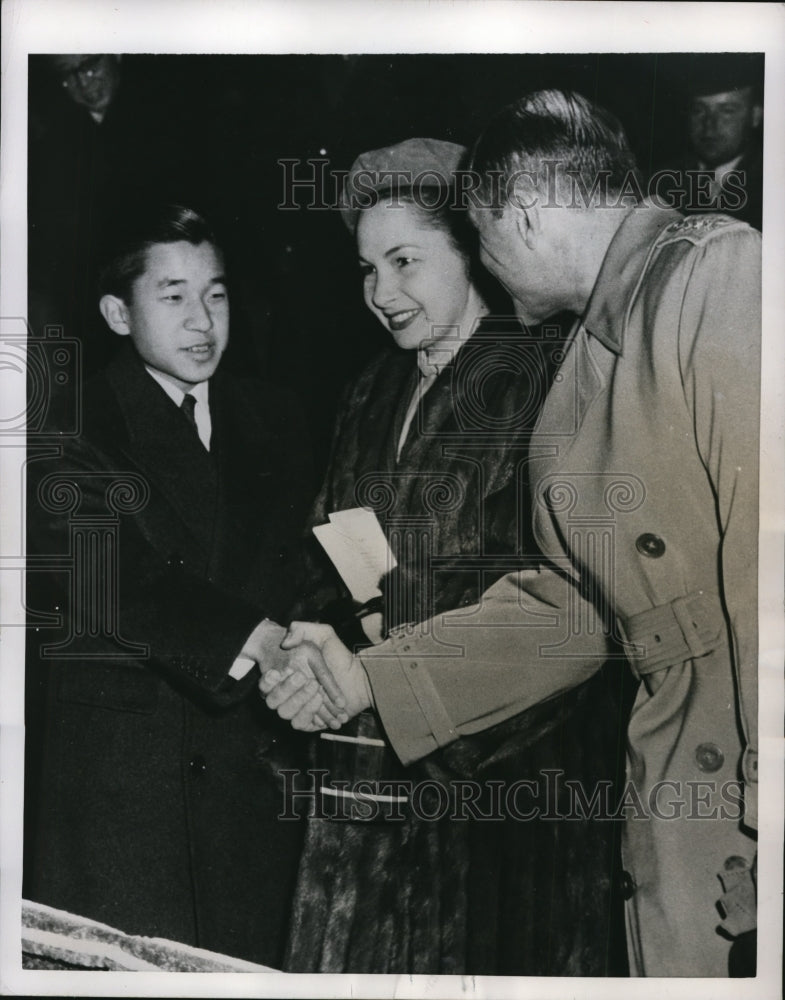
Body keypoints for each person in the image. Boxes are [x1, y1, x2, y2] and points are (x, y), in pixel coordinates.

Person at [264, 93, 761, 978]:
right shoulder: (582, 367)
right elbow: (571, 607)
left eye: (475, 238)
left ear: (520, 216)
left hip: (732, 796)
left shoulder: (716, 274)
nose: (486, 268)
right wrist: (364, 675)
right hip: (672, 795)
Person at [262, 139, 629, 975]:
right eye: (365, 269)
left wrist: (394, 680)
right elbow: (336, 544)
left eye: (404, 262)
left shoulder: (544, 372)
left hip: (511, 792)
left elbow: (569, 607)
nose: (380, 294)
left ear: (470, 252)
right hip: (377, 779)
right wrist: (327, 645)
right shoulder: (368, 390)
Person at [24, 204, 321, 967]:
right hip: (124, 796)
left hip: (252, 783)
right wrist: (262, 641)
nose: (202, 321)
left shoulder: (277, 416)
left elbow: (311, 562)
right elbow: (111, 573)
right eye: (174, 295)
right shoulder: (70, 420)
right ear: (117, 313)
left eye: (215, 294)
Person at [653, 54, 763, 230]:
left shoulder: (770, 185)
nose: (709, 125)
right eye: (699, 110)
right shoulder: (661, 183)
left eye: (726, 111)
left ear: (756, 115)